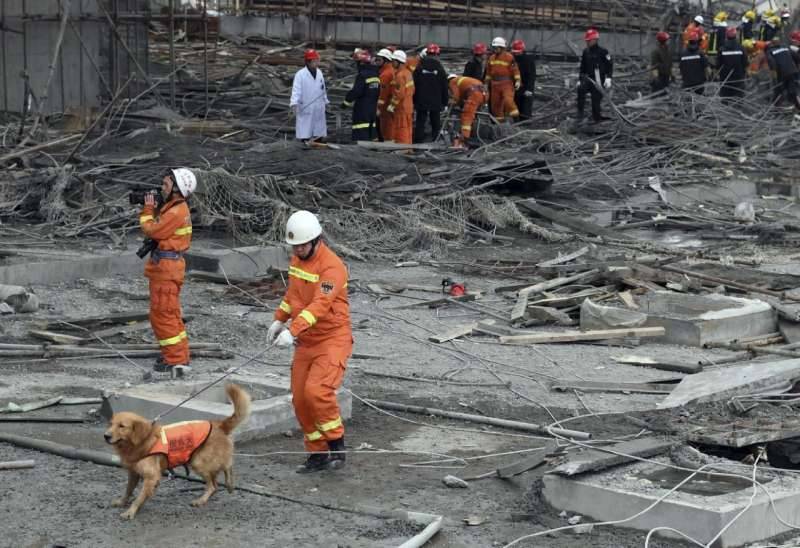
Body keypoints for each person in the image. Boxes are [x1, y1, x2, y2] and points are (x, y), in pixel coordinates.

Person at [267, 210, 352, 473]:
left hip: (331, 339)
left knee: (318, 392)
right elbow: (293, 294)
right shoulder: (297, 261)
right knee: (301, 399)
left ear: (316, 240)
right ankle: (317, 453)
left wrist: (293, 330)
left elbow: (320, 305)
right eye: (295, 246)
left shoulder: (332, 267)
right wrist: (279, 319)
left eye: (303, 245)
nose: (299, 250)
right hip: (307, 340)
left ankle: (337, 444)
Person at [139, 168, 196, 379]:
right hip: (167, 268)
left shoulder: (175, 211)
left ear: (176, 189)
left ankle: (175, 361)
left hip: (166, 270)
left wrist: (147, 210)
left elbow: (152, 230)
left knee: (163, 315)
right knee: (169, 314)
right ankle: (179, 356)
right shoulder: (175, 208)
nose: (162, 189)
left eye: (166, 185)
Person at [290, 49, 329, 143]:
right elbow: (296, 90)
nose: (317, 63)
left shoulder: (319, 72)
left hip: (318, 105)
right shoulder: (300, 75)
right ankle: (305, 142)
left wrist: (326, 101)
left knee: (318, 127)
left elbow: (322, 88)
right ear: (308, 62)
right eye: (314, 61)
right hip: (306, 105)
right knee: (305, 128)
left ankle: (318, 140)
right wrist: (294, 104)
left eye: (317, 60)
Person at [413, 43, 449, 142]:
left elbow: (414, 84)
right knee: (435, 121)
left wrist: (414, 100)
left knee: (420, 121)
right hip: (436, 100)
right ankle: (435, 140)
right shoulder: (440, 68)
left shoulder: (419, 67)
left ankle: (418, 140)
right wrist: (445, 102)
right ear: (437, 54)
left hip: (421, 99)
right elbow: (444, 87)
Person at [343, 49, 380, 142]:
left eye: (357, 62)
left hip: (362, 109)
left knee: (360, 130)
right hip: (372, 108)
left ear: (361, 63)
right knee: (371, 131)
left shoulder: (362, 75)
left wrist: (345, 102)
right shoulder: (375, 74)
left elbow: (356, 91)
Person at [577, 28, 613, 122]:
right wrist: (580, 79)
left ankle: (597, 118)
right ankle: (580, 114)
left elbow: (610, 65)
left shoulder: (603, 52)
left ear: (595, 40)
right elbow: (582, 67)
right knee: (580, 90)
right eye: (587, 41)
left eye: (589, 40)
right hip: (588, 79)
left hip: (599, 80)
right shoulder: (586, 52)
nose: (587, 42)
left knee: (595, 101)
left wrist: (608, 78)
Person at [485, 36, 521, 122]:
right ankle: (499, 124)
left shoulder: (509, 57)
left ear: (502, 48)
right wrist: (486, 83)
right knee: (496, 105)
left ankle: (517, 119)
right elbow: (488, 73)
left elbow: (515, 70)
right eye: (494, 47)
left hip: (506, 83)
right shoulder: (491, 58)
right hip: (494, 85)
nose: (495, 49)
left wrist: (518, 81)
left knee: (508, 101)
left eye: (496, 48)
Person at [447, 74, 487, 148]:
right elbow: (462, 96)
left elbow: (456, 97)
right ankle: (473, 134)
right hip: (484, 94)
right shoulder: (464, 80)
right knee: (473, 116)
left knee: (466, 117)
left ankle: (464, 141)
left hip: (475, 94)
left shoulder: (452, 82)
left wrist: (450, 103)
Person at [387, 50, 415, 145]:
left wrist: (392, 105)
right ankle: (407, 148)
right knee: (408, 129)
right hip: (408, 106)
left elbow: (399, 93)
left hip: (401, 107)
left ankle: (401, 147)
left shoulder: (400, 75)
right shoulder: (408, 73)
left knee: (401, 129)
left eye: (394, 61)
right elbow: (412, 90)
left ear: (399, 62)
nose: (392, 63)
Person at [766, 36, 800, 108]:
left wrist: (774, 74)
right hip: (793, 71)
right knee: (793, 90)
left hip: (782, 73)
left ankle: (777, 107)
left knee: (779, 90)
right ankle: (797, 106)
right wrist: (796, 67)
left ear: (772, 44)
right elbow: (797, 57)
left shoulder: (770, 51)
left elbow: (772, 63)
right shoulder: (786, 48)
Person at [717, 26, 747, 100]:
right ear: (735, 36)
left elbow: (718, 64)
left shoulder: (722, 49)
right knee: (738, 100)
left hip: (725, 78)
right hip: (738, 78)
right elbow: (745, 62)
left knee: (725, 99)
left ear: (726, 36)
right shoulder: (741, 48)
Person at [511, 39, 536, 120]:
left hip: (525, 87)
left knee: (525, 109)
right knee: (515, 107)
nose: (516, 54)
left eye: (518, 52)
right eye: (515, 53)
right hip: (515, 87)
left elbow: (531, 76)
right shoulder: (512, 59)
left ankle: (525, 122)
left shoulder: (528, 60)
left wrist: (529, 89)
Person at [375, 48, 395, 142]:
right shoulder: (389, 70)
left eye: (379, 60)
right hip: (388, 104)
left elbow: (383, 93)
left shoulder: (385, 74)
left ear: (386, 61)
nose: (376, 62)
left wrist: (379, 107)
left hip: (385, 105)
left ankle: (387, 141)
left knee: (386, 125)